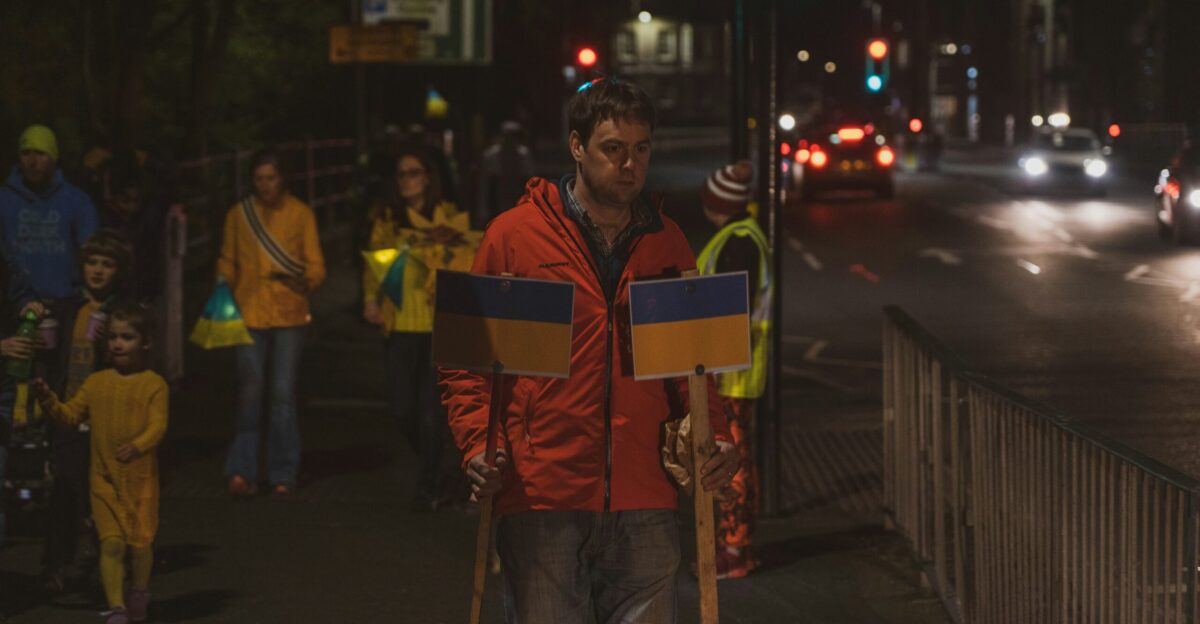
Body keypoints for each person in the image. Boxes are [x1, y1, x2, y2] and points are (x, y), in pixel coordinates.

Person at [441, 78, 737, 622]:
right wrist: (477, 445)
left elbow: (694, 369)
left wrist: (713, 435)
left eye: (641, 148)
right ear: (577, 147)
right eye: (613, 148)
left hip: (646, 495)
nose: (630, 164)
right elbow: (470, 365)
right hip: (540, 493)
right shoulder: (513, 237)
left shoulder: (667, 241)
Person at [32, 300, 168, 624]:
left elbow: (158, 426)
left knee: (139, 546)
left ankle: (138, 592)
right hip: (104, 480)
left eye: (127, 337)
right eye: (114, 337)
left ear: (145, 342)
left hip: (140, 482)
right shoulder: (96, 383)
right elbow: (68, 415)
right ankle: (117, 608)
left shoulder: (154, 384)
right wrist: (48, 399)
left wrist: (138, 445)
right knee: (111, 544)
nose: (118, 344)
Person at [363, 146, 473, 511]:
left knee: (431, 412)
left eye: (413, 173)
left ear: (428, 177)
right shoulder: (388, 221)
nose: (406, 180)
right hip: (399, 325)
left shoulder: (450, 219)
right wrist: (371, 299)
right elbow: (376, 266)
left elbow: (467, 263)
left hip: (438, 326)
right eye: (401, 174)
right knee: (400, 408)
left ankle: (428, 484)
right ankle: (438, 466)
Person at [217, 149, 325, 498]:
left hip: (289, 313)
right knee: (249, 393)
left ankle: (283, 471)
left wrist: (305, 282)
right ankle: (241, 470)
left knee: (281, 395)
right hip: (248, 312)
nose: (265, 185)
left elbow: (316, 265)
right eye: (259, 178)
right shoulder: (238, 215)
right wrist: (222, 282)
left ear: (283, 179)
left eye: (271, 178)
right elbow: (228, 260)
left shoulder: (300, 214)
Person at [40, 230, 133, 594]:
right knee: (64, 491)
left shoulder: (125, 312)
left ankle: (107, 562)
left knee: (104, 497)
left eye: (106, 265)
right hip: (69, 413)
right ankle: (56, 564)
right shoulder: (69, 309)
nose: (97, 271)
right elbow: (53, 357)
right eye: (92, 263)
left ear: (118, 271)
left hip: (106, 418)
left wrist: (113, 338)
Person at [696, 160, 773, 580]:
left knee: (731, 460)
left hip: (733, 372)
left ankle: (734, 549)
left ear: (716, 202)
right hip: (739, 367)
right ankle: (735, 544)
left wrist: (718, 366)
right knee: (735, 458)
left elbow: (730, 310)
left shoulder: (737, 241)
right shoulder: (742, 236)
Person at [0, 125, 99, 300]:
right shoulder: (5, 201)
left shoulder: (77, 201)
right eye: (26, 153)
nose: (32, 161)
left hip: (66, 301)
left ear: (53, 157)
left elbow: (91, 250)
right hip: (15, 303)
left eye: (40, 153)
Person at [474, 120, 535, 227]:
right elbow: (484, 186)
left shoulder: (524, 156)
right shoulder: (491, 156)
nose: (510, 140)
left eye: (513, 137)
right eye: (508, 136)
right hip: (496, 203)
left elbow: (530, 183)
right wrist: (482, 209)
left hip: (517, 201)